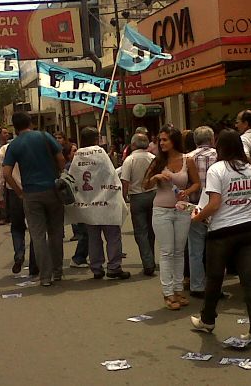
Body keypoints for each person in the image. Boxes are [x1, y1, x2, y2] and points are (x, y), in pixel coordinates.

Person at [189, 129, 251, 342]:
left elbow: (214, 204)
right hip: (249, 229)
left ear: (219, 146)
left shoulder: (217, 170)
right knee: (249, 279)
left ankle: (208, 319)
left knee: (214, 278)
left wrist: (196, 216)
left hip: (222, 231)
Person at [2, 112, 66, 287]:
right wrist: (60, 175)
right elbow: (61, 158)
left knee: (38, 236)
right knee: (56, 232)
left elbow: (6, 173)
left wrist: (19, 191)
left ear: (14, 128)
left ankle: (45, 276)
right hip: (52, 189)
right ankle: (58, 271)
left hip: (31, 194)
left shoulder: (14, 145)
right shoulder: (45, 137)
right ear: (30, 122)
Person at [143, 125, 201, 310]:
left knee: (178, 251)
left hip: (182, 210)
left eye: (165, 139)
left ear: (174, 140)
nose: (161, 143)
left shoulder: (187, 160)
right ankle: (168, 292)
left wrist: (187, 191)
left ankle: (177, 289)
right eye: (160, 140)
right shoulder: (157, 162)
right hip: (162, 211)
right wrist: (155, 178)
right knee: (167, 251)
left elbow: (197, 183)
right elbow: (144, 185)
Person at [66, 127, 131, 280]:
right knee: (113, 236)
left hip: (87, 203)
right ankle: (114, 266)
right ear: (96, 139)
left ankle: (96, 267)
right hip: (106, 201)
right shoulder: (101, 154)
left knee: (93, 237)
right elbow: (112, 175)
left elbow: (73, 179)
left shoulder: (77, 156)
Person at [184, 126, 217, 296]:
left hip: (194, 206)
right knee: (216, 249)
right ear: (212, 140)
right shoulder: (219, 157)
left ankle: (197, 286)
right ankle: (215, 286)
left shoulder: (188, 158)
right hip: (216, 207)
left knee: (195, 249)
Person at [120, 132, 158, 277]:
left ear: (133, 144)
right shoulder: (153, 158)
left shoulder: (129, 160)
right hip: (154, 195)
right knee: (151, 230)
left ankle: (148, 263)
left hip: (137, 197)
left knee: (141, 232)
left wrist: (123, 198)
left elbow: (125, 181)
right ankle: (151, 259)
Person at [0, 133, 32, 275]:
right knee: (36, 227)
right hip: (32, 189)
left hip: (14, 192)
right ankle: (35, 264)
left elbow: (1, 174)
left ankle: (19, 254)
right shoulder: (33, 146)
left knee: (17, 227)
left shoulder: (5, 149)